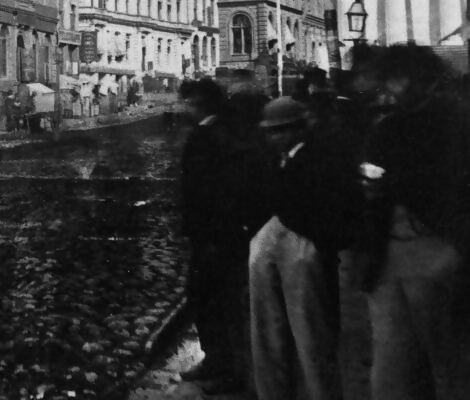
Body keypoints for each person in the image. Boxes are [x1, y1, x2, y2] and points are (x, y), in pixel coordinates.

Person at [358, 44, 470, 400]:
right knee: (391, 371)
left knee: (448, 364)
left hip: (438, 250)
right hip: (388, 255)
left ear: (423, 79)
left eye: (398, 78)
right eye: (388, 79)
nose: (390, 87)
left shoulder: (457, 121)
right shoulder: (386, 126)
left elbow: (452, 181)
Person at [248, 96, 359, 400]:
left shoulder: (319, 158)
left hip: (304, 244)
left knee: (311, 334)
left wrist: (319, 242)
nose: (274, 138)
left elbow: (335, 211)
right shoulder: (278, 157)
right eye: (271, 132)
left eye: (280, 131)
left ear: (300, 129)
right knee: (270, 329)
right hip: (277, 238)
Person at [177, 79, 248, 395]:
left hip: (213, 236)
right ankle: (221, 361)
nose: (185, 107)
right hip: (219, 234)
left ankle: (223, 366)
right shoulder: (226, 131)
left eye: (189, 102)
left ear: (201, 103)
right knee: (214, 299)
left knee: (209, 300)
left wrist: (205, 233)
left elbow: (208, 190)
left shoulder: (208, 136)